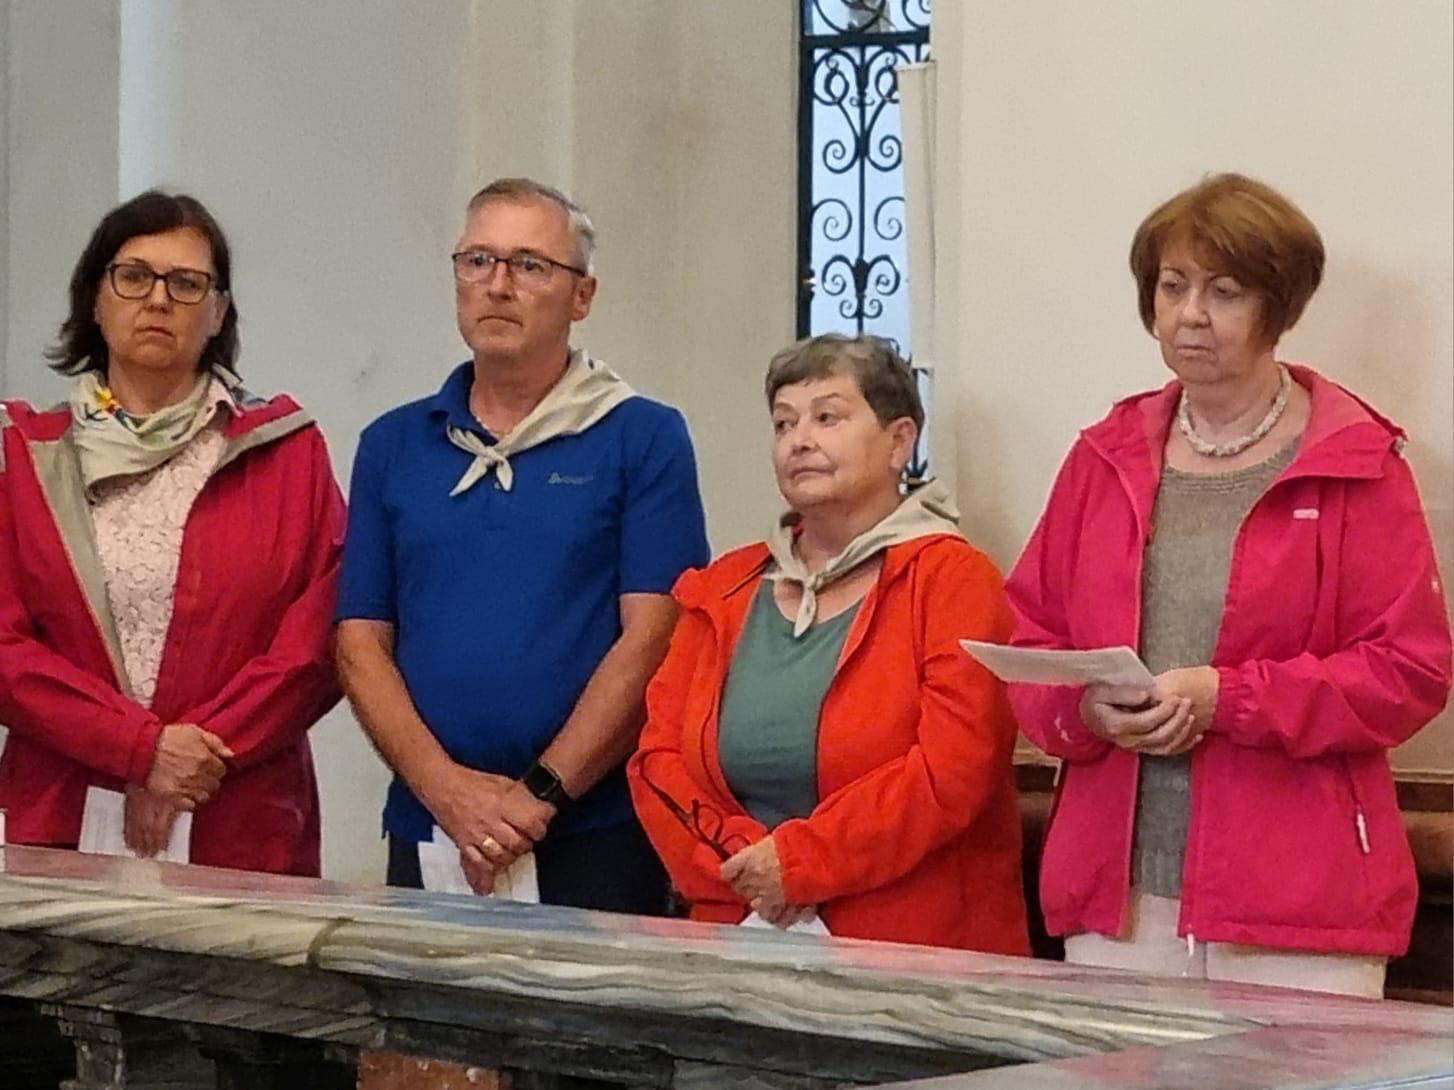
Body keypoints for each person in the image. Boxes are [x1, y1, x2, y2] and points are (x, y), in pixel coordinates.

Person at [1005, 173, 1452, 997]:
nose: (1190, 314)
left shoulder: (1358, 462)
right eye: (1172, 286)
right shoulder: (1103, 456)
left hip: (1300, 903)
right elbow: (1031, 636)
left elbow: (1408, 672)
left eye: (1224, 291)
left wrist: (1229, 699)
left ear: (1277, 307)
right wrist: (1084, 712)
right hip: (1117, 899)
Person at [336, 178, 710, 914]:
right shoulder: (394, 445)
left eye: (530, 265)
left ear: (583, 296)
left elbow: (655, 636)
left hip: (595, 830)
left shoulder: (642, 437)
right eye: (478, 260)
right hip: (432, 824)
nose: (498, 285)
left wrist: (537, 795)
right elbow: (359, 642)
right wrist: (446, 790)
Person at [628, 334, 1029, 952]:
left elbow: (953, 772)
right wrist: (750, 867)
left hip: (915, 949)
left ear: (899, 441)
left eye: (827, 417)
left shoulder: (954, 580)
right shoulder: (723, 587)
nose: (799, 440)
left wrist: (799, 863)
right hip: (735, 932)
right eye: (783, 423)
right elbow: (657, 759)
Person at [0, 189, 345, 875]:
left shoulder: (287, 450)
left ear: (218, 313)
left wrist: (191, 758)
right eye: (133, 276)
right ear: (94, 299)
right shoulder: (24, 457)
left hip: (239, 815)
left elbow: (318, 640)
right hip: (58, 816)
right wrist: (140, 749)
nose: (158, 299)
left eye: (187, 284)